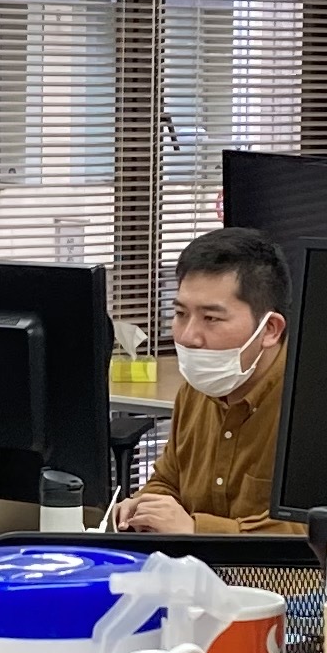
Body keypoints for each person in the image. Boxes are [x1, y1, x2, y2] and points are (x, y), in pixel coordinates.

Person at [112, 225, 289, 532]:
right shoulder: (197, 389)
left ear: (270, 329)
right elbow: (168, 482)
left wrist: (196, 531)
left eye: (211, 319)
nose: (189, 337)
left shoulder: (312, 408)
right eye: (181, 314)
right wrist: (144, 506)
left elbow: (313, 541)